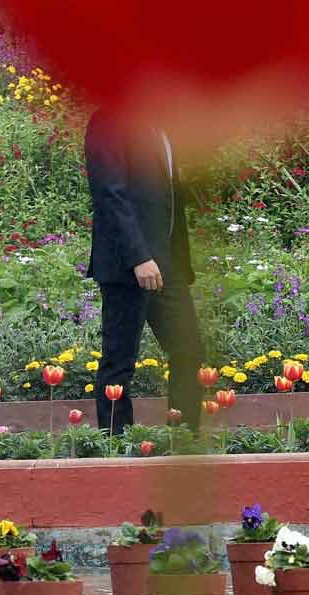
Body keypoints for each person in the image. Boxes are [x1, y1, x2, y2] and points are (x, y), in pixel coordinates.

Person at [84, 106, 204, 433]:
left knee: (190, 349)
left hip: (168, 265)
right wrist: (139, 257)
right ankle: (115, 444)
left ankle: (183, 437)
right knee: (119, 362)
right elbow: (110, 195)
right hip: (128, 265)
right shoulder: (108, 119)